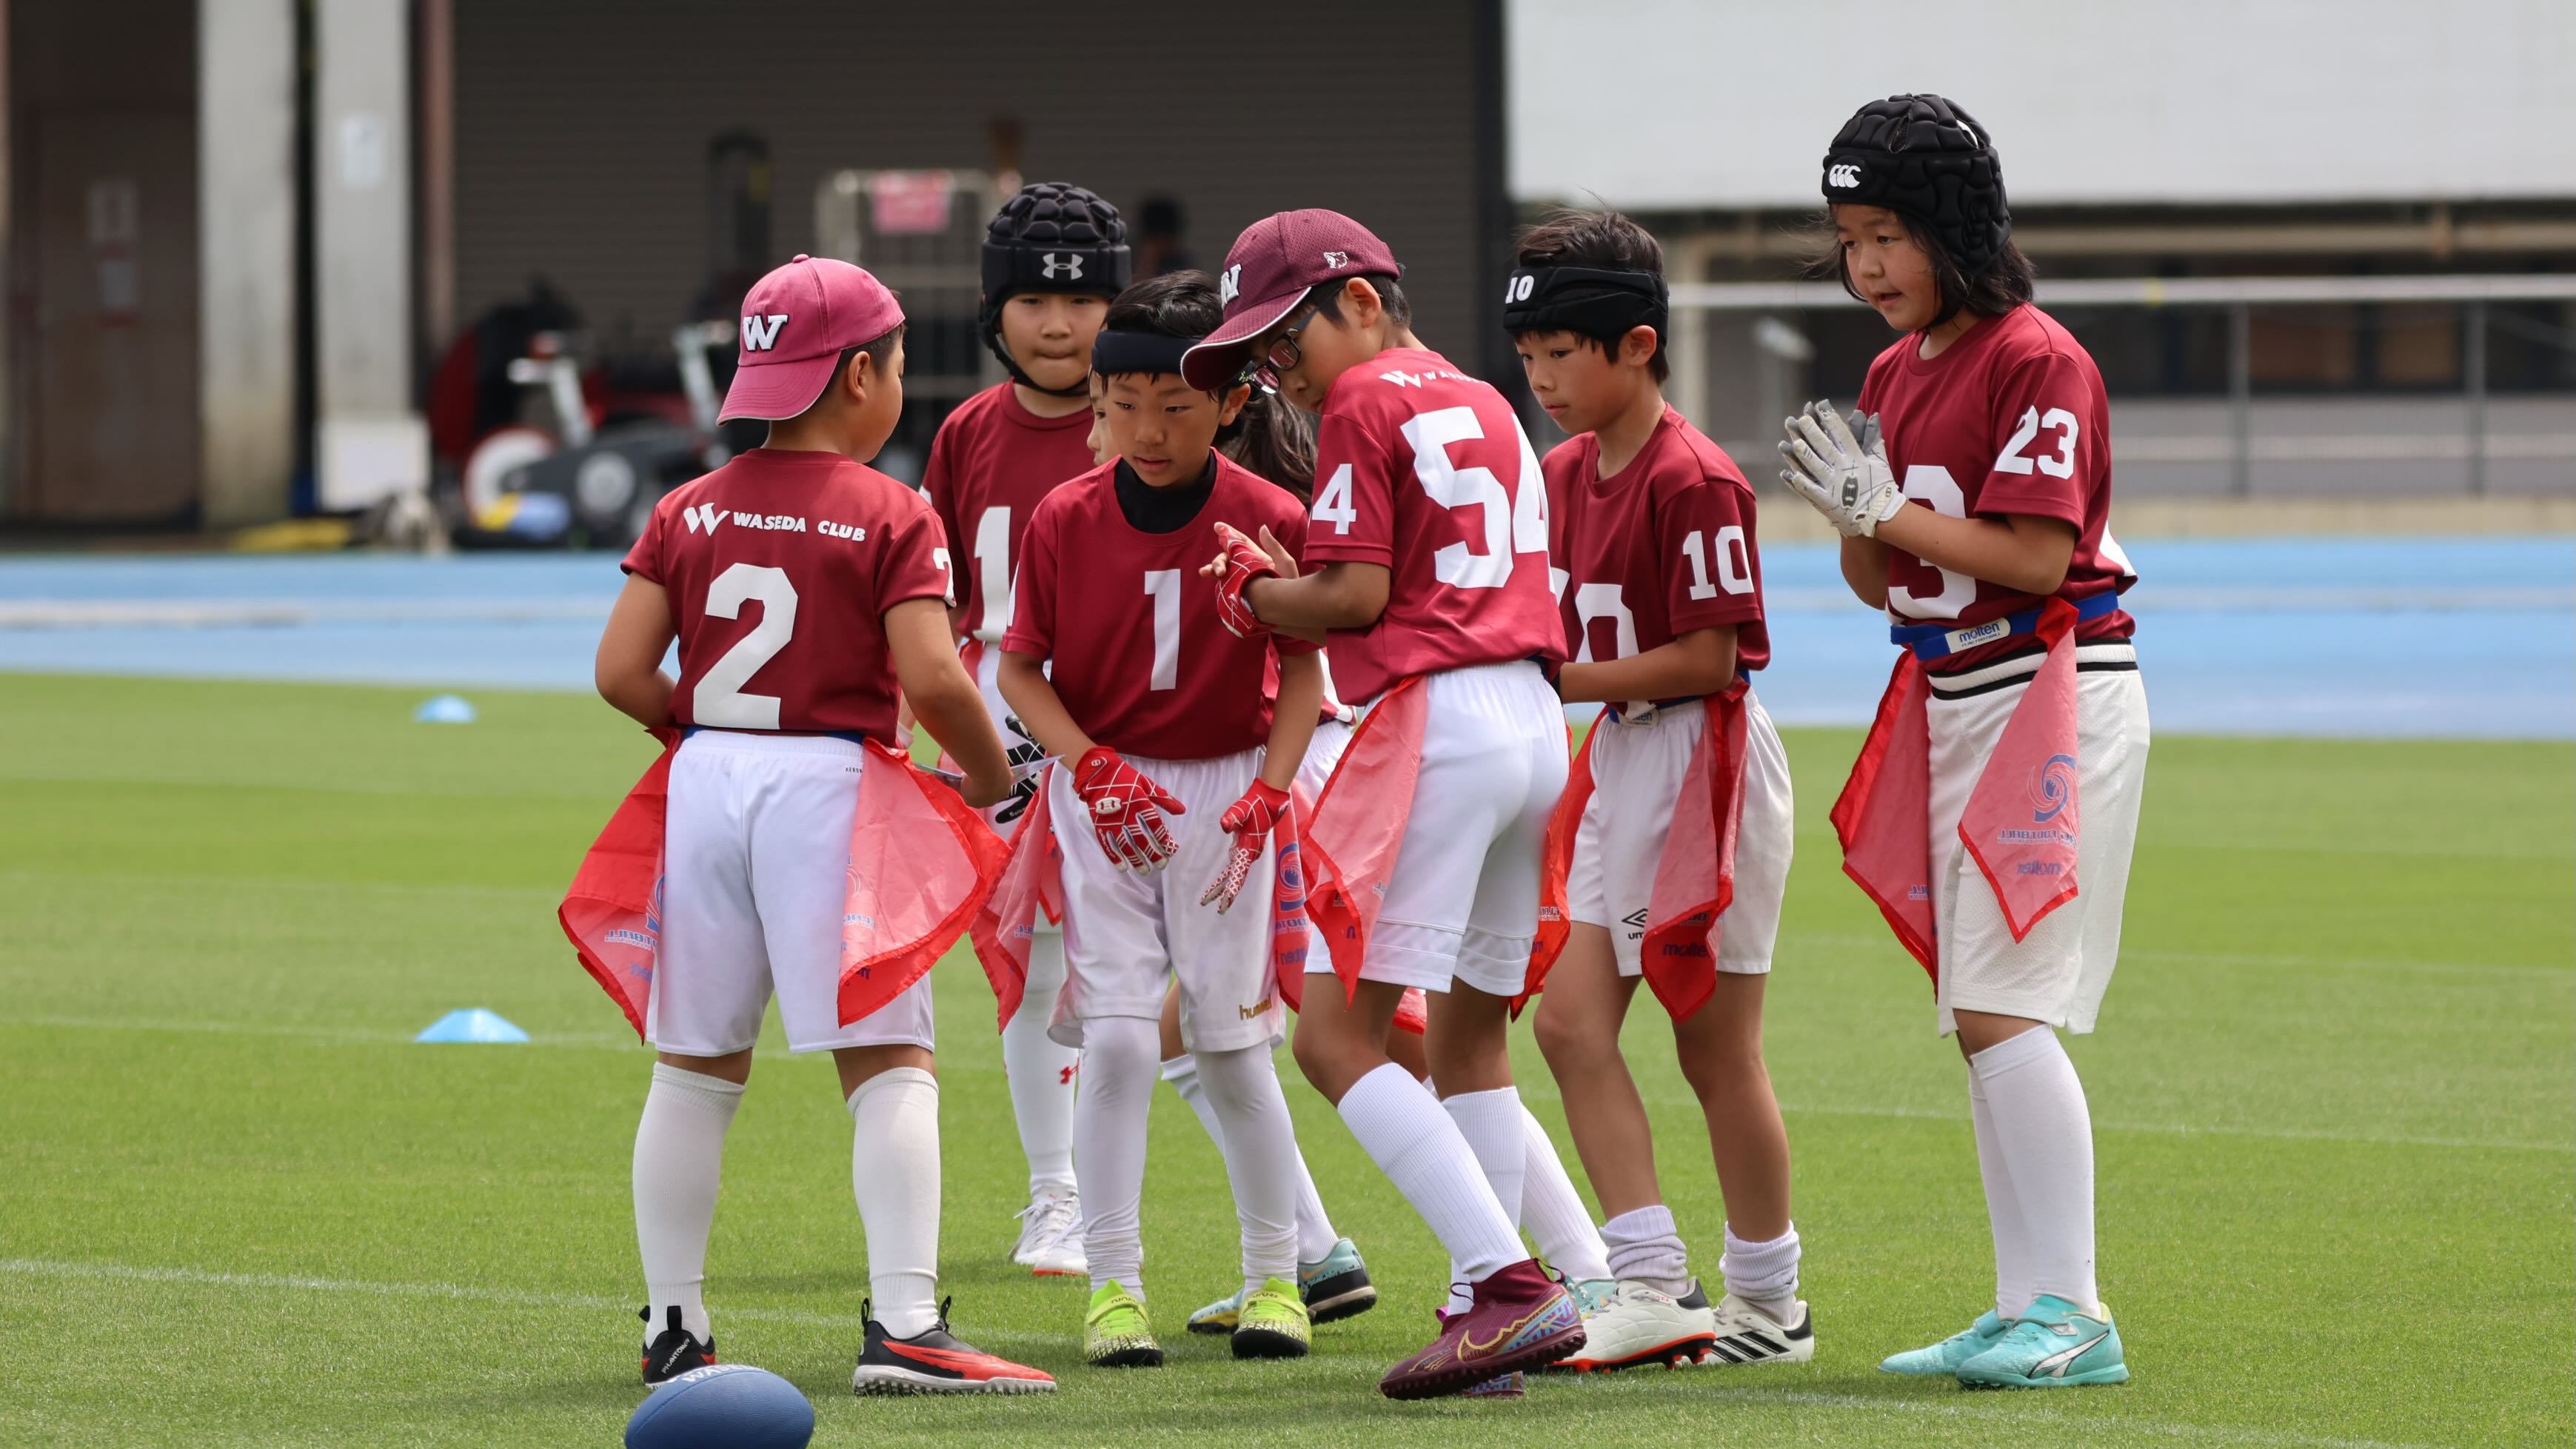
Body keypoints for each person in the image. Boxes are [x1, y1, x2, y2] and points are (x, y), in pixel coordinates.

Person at [586, 255, 1052, 1395]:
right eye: (895, 365)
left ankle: (674, 1327)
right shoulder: (892, 509)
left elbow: (617, 669)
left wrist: (701, 735)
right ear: (858, 375)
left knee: (694, 1067)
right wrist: (994, 782)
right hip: (833, 790)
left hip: (707, 778)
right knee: (891, 1056)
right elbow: (937, 679)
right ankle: (902, 1321)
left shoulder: (687, 503)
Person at [1184, 210, 1584, 1400]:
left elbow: (1354, 597)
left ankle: (1508, 1287)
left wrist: (1260, 595)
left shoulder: (1367, 398)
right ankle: (1488, 1307)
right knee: (1470, 1036)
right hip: (1529, 714)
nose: (1276, 375)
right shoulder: (1485, 396)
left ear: (1360, 300)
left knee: (1335, 1035)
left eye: (1280, 339)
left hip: (1440, 724)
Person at [1779, 94, 2147, 1391]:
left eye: (1888, 232)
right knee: (1975, 1010)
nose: (1868, 263)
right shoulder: (1893, 371)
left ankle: (2076, 1309)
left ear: (1957, 226)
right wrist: (1854, 519)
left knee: (2006, 1002)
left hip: (2049, 687)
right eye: (1849, 238)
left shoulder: (2036, 357)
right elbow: (1888, 585)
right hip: (1950, 691)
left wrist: (1891, 511)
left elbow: (2037, 558)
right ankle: (2024, 1300)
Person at [996, 272, 1328, 1369]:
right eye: (1122, 402)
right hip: (1107, 801)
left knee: (1236, 1049)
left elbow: (1302, 664)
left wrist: (1271, 791)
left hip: (1229, 797)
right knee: (1124, 1043)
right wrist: (1089, 767)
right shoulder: (1064, 517)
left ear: (1231, 404)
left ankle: (1277, 1278)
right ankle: (1114, 1289)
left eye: (1176, 407)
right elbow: (1020, 669)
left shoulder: (1270, 514)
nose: (1145, 429)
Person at [1505, 209, 1810, 1372]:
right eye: (1528, 357)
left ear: (1638, 345)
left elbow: (1713, 658)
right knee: (1570, 1022)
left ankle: (1768, 1300)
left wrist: (1561, 676)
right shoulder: (1557, 473)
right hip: (1622, 758)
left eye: (1561, 354)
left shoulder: (1696, 477)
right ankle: (1650, 1282)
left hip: (1704, 762)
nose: (1541, 379)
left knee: (1714, 1047)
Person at [923, 181, 1129, 1276]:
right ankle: (1056, 1195)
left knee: (1161, 973)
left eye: (1088, 297)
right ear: (995, 311)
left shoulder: (1155, 417)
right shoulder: (966, 435)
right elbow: (938, 595)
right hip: (1007, 722)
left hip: (1135, 717)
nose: (1060, 323)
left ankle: (1290, 1236)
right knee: (1032, 961)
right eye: (1036, 303)